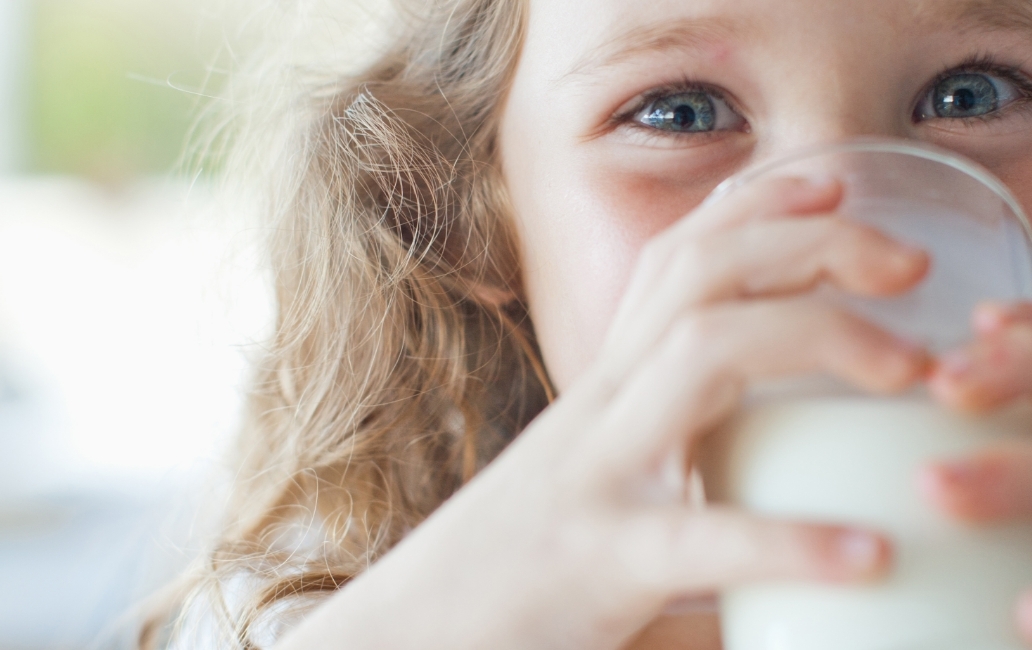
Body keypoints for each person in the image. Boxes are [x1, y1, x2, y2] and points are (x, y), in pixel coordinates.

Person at [146, 0, 1032, 648]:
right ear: (469, 220)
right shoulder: (343, 600)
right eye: (680, 113)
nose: (850, 231)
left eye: (974, 94)